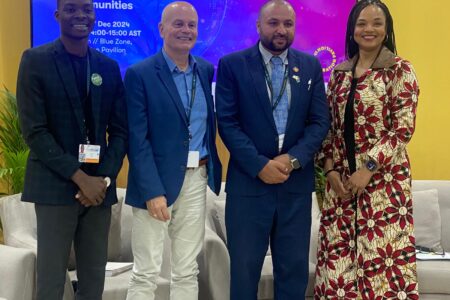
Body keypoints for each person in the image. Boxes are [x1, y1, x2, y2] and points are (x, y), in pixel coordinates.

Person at [215, 1, 330, 298]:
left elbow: (319, 123)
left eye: (288, 24)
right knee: (244, 271)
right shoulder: (232, 65)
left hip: (294, 187)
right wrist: (260, 165)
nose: (281, 30)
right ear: (259, 26)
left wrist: (292, 160)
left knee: (293, 272)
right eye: (274, 23)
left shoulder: (310, 66)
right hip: (249, 187)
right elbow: (228, 123)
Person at [16, 0, 128, 298]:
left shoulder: (107, 66)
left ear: (94, 16)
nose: (81, 15)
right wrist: (81, 178)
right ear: (57, 15)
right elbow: (34, 131)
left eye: (87, 9)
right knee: (52, 282)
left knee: (93, 282)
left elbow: (119, 131)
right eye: (71, 9)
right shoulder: (35, 60)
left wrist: (102, 180)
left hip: (98, 192)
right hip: (55, 186)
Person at [314, 0, 420, 298]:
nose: (368, 29)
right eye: (362, 23)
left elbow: (402, 129)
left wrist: (368, 169)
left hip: (384, 187)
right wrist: (330, 169)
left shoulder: (400, 70)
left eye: (376, 23)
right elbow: (329, 128)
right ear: (352, 30)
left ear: (386, 31)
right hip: (342, 187)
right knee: (337, 275)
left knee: (382, 274)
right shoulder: (339, 73)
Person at [124, 2, 222, 299]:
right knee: (146, 273)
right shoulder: (140, 74)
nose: (186, 30)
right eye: (178, 24)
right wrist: (152, 191)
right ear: (162, 29)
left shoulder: (204, 70)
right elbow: (137, 139)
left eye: (191, 25)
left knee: (186, 269)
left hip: (196, 178)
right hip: (155, 184)